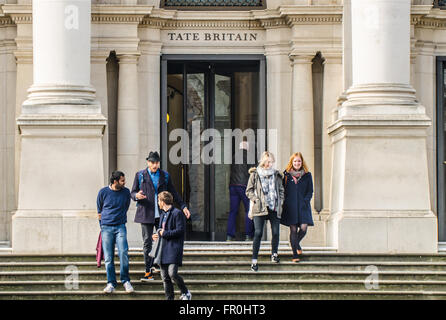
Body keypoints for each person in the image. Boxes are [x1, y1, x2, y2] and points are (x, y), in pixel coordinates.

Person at [131, 151, 191, 281]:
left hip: (162, 213)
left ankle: (158, 263)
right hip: (146, 212)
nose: (155, 165)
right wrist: (136, 196)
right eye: (152, 162)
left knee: (161, 239)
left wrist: (183, 206)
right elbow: (133, 192)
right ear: (148, 162)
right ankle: (148, 271)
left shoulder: (165, 175)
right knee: (147, 241)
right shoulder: (140, 175)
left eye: (157, 162)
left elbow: (173, 192)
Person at [245, 151, 284, 272]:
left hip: (273, 206)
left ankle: (274, 254)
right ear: (263, 161)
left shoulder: (277, 175)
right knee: (258, 233)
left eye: (271, 162)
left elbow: (281, 190)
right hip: (260, 206)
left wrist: (280, 202)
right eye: (267, 162)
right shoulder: (255, 174)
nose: (269, 164)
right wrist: (256, 199)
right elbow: (248, 191)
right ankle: (254, 260)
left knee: (276, 232)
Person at [97, 171, 134, 294]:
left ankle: (125, 280)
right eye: (122, 180)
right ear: (115, 181)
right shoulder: (103, 192)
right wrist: (102, 226)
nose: (124, 182)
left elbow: (126, 206)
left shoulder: (126, 192)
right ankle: (111, 283)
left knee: (123, 252)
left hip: (120, 227)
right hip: (106, 227)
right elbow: (99, 211)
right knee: (108, 257)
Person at [153, 191, 192, 300]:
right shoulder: (162, 215)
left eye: (158, 201)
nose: (158, 203)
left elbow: (180, 231)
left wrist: (164, 233)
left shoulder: (177, 213)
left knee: (172, 274)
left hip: (174, 249)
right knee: (165, 278)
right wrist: (156, 235)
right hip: (163, 250)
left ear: (163, 201)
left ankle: (185, 292)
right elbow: (160, 230)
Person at [280, 152, 314, 262]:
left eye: (299, 161)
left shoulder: (307, 175)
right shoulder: (286, 175)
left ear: (302, 162)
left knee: (303, 228)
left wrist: (306, 200)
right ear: (292, 162)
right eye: (295, 161)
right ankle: (295, 254)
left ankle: (296, 244)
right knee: (293, 230)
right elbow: (283, 190)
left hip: (303, 206)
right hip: (291, 206)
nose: (297, 163)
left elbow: (310, 191)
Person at [226, 141, 255, 241]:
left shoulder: (233, 156)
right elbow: (252, 172)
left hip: (233, 186)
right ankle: (248, 235)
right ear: (247, 148)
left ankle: (229, 236)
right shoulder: (249, 156)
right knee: (249, 210)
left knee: (233, 211)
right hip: (244, 186)